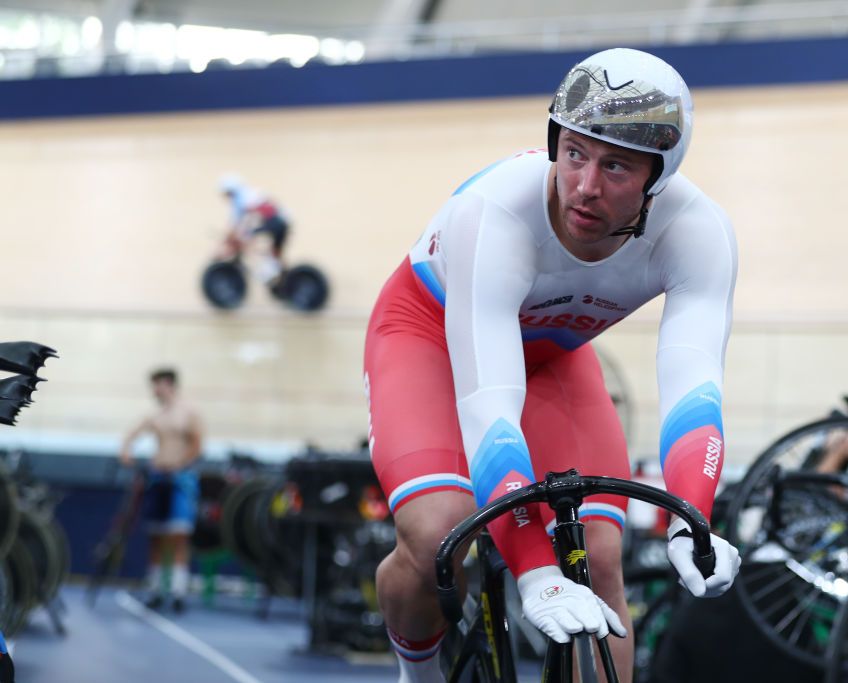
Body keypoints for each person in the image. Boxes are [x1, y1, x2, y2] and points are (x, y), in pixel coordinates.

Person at [363, 48, 741, 682]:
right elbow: (489, 405)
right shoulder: (495, 213)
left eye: (616, 165)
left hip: (551, 358)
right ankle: (419, 675)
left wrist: (689, 521)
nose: (585, 186)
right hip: (426, 334)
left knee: (598, 558)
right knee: (439, 537)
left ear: (659, 176)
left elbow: (694, 392)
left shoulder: (698, 232)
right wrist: (535, 568)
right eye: (573, 153)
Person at [119, 367, 203, 613]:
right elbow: (131, 435)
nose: (154, 390)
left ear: (168, 384)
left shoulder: (188, 413)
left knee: (178, 538)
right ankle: (156, 590)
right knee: (156, 538)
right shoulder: (157, 415)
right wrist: (126, 451)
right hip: (157, 480)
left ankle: (177, 592)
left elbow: (197, 444)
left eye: (157, 385)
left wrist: (178, 464)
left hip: (180, 481)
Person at [217, 174, 290, 288]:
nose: (227, 197)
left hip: (275, 222)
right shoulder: (246, 195)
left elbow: (241, 222)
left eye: (227, 194)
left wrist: (227, 246)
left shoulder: (242, 197)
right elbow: (238, 223)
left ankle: (269, 272)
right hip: (281, 222)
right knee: (273, 253)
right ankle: (281, 275)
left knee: (246, 241)